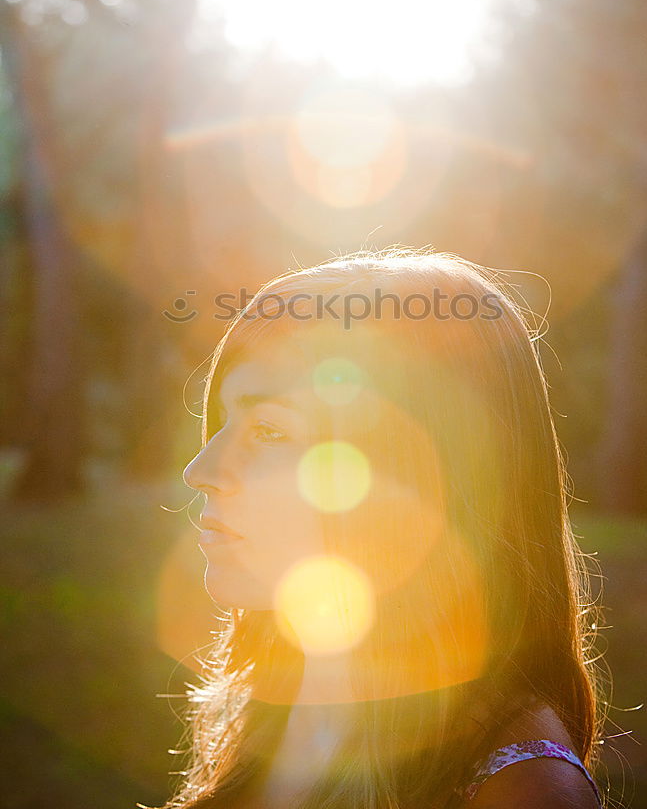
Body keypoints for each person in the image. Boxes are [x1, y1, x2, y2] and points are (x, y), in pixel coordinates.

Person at [156, 247, 606, 808]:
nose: (201, 472)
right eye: (224, 422)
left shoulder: (520, 790)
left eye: (270, 432)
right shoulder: (272, 704)